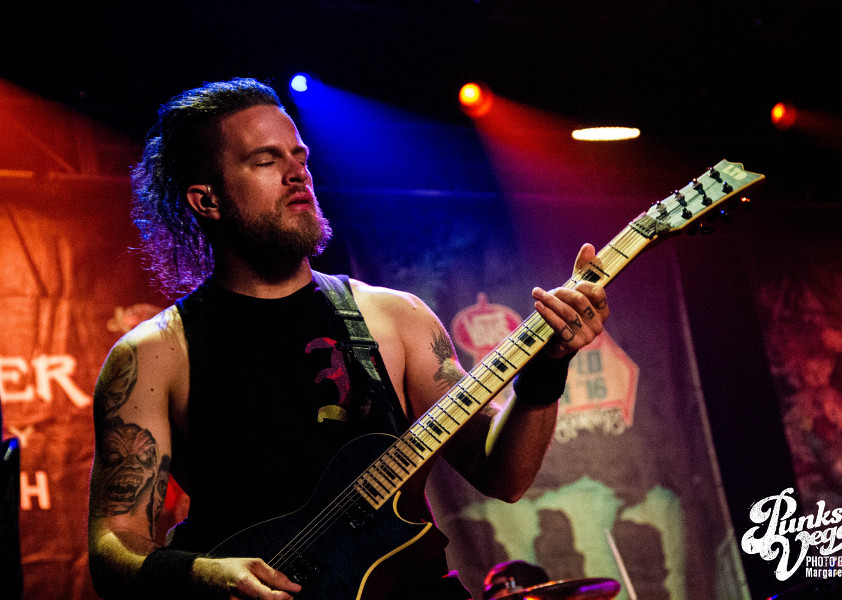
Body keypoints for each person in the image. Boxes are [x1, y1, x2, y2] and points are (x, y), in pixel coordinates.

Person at [87, 78, 609, 600]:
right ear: (207, 200)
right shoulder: (155, 355)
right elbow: (113, 543)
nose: (298, 173)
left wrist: (546, 371)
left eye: (300, 156)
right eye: (266, 160)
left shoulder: (395, 318)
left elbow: (503, 476)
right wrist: (205, 574)